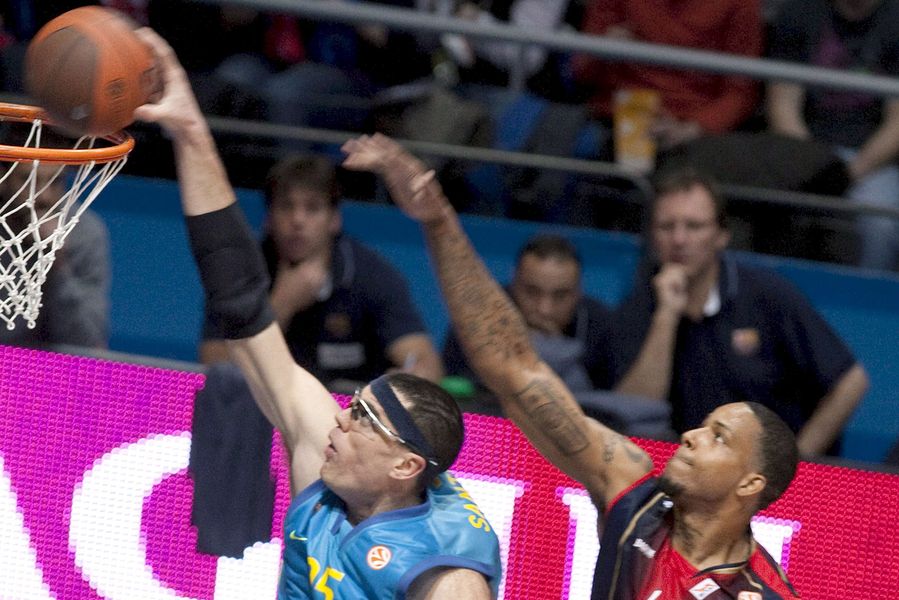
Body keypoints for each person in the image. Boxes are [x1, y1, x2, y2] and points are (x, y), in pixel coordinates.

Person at [341, 133, 801, 598]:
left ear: (751, 483)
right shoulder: (635, 497)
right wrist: (438, 218)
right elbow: (515, 369)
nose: (690, 435)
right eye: (704, 425)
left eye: (719, 437)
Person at [134, 29, 501, 599]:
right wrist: (189, 131)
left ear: (405, 467)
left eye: (364, 419)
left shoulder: (446, 574)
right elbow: (243, 309)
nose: (341, 420)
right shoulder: (325, 466)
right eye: (355, 406)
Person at [608, 167, 869, 456]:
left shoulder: (768, 295)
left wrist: (795, 464)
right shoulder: (638, 307)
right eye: (666, 227)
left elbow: (850, 381)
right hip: (687, 470)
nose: (679, 239)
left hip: (765, 472)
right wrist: (666, 316)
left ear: (721, 235)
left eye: (694, 226)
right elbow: (635, 414)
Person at [198, 154, 444, 390]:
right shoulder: (238, 272)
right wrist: (281, 305)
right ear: (268, 218)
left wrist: (414, 376)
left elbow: (424, 363)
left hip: (350, 410)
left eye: (312, 208)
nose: (297, 220)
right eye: (286, 207)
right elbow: (217, 365)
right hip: (261, 406)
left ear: (334, 219)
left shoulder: (372, 275)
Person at [766, 0, 899, 271]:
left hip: (873, 160)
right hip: (804, 151)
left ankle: (867, 295)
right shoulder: (798, 11)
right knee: (774, 206)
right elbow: (782, 105)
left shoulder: (895, 19)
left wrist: (846, 174)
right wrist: (816, 167)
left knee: (882, 223)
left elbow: (897, 123)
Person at [571, 0, 764, 150]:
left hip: (694, 131)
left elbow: (740, 93)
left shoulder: (741, 4)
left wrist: (693, 128)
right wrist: (601, 51)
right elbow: (580, 71)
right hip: (614, 118)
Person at [443, 233, 614, 396]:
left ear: (578, 291)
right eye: (532, 292)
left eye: (560, 295)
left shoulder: (600, 324)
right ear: (514, 284)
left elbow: (609, 401)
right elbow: (453, 386)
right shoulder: (478, 315)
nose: (545, 309)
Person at [0, 159, 110, 348]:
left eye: (55, 181)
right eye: (29, 181)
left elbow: (89, 343)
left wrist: (57, 262)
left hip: (50, 362)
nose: (44, 196)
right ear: (3, 177)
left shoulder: (84, 233)